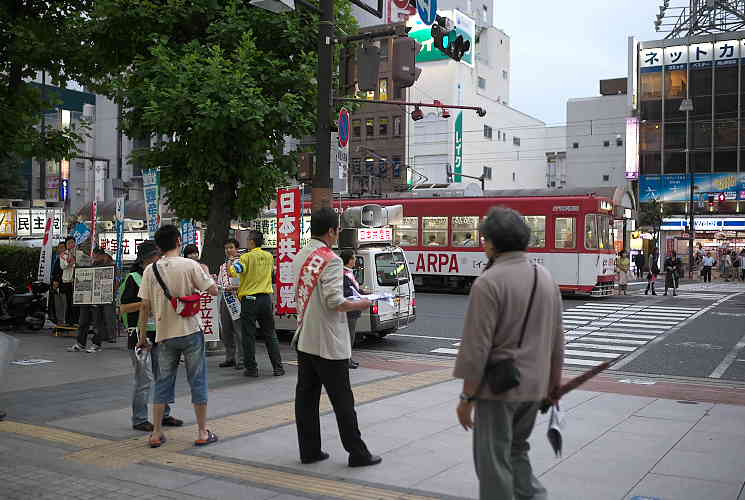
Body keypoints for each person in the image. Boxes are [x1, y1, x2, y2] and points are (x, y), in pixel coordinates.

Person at [454, 206, 563, 500]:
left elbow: (476, 348)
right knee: (517, 451)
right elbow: (557, 340)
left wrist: (466, 397)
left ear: (490, 242)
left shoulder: (488, 283)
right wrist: (554, 386)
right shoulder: (546, 278)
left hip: (498, 391)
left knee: (493, 462)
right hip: (535, 386)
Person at [291, 207, 381, 467]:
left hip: (306, 337)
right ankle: (357, 452)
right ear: (331, 231)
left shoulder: (301, 255)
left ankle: (309, 450)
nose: (338, 234)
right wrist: (361, 303)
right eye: (338, 229)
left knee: (306, 398)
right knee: (342, 399)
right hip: (329, 342)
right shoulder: (331, 259)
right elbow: (334, 302)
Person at [137, 224, 219, 448]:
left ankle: (155, 433)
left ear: (159, 246)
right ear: (178, 242)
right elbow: (213, 290)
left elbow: (144, 307)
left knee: (162, 382)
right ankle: (202, 431)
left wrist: (142, 337)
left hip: (164, 335)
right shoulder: (190, 265)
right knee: (198, 380)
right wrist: (204, 277)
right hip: (191, 330)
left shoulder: (150, 270)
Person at [119, 240, 183, 432]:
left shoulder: (159, 277)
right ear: (146, 259)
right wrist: (146, 304)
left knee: (163, 376)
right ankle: (139, 419)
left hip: (160, 333)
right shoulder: (133, 278)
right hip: (139, 335)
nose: (160, 260)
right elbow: (123, 307)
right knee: (144, 378)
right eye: (156, 257)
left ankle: (164, 414)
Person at [229, 230, 284, 378]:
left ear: (252, 242)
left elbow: (234, 272)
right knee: (270, 333)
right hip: (266, 299)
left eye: (248, 240)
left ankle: (252, 369)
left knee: (248, 335)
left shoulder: (246, 257)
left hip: (250, 300)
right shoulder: (268, 257)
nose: (247, 242)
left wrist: (233, 261)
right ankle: (278, 367)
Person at [66, 248, 116, 353]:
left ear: (104, 256)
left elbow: (113, 283)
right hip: (86, 299)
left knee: (97, 322)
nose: (95, 257)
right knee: (83, 321)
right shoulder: (90, 265)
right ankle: (80, 343)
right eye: (94, 255)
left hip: (98, 300)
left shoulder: (109, 267)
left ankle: (96, 344)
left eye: (97, 255)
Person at [217, 238, 244, 370]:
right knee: (226, 329)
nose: (228, 250)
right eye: (226, 248)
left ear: (236, 248)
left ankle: (241, 359)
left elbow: (240, 280)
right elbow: (221, 280)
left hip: (237, 298)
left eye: (231, 247)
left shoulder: (241, 262)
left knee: (238, 330)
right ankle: (230, 357)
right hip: (225, 297)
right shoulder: (222, 266)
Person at [341, 250, 362, 370]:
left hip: (353, 308)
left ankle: (348, 358)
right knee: (349, 335)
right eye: (354, 258)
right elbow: (347, 292)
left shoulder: (349, 272)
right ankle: (346, 360)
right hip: (350, 308)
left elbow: (354, 289)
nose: (355, 260)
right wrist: (361, 295)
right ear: (348, 260)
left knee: (351, 335)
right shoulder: (344, 274)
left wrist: (363, 293)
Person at [59, 236, 83, 325]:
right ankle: (69, 321)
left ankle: (77, 320)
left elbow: (83, 263)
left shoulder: (79, 253)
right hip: (68, 281)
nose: (71, 245)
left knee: (77, 301)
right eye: (69, 243)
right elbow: (63, 266)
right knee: (69, 302)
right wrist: (71, 262)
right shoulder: (63, 254)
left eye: (72, 242)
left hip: (78, 281)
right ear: (66, 245)